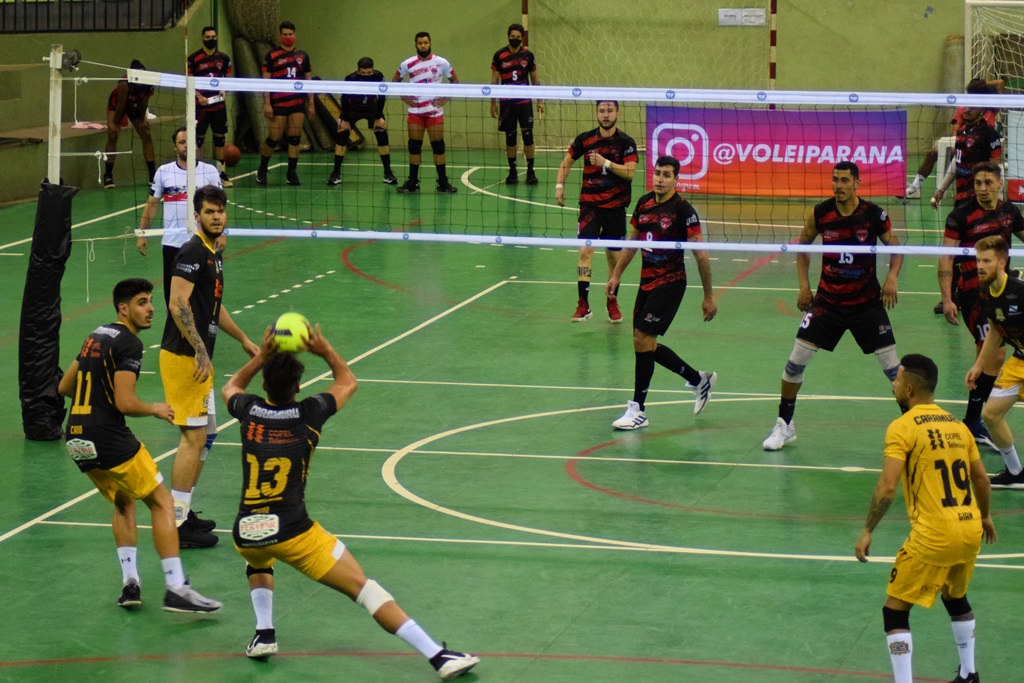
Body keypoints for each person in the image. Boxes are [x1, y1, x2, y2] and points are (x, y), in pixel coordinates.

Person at [222, 326, 480, 680]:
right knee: (365, 589)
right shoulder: (310, 413)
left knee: (259, 559)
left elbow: (230, 388)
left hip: (246, 531)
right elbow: (347, 381)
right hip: (294, 532)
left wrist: (261, 356)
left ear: (264, 385)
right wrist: (325, 349)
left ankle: (265, 633)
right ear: (298, 387)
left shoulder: (248, 410)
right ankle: (439, 656)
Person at [58, 278, 223, 613]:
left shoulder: (95, 335)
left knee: (123, 501)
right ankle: (176, 587)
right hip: (109, 437)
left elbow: (65, 386)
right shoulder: (129, 343)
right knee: (162, 503)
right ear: (124, 309)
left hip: (77, 437)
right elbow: (125, 403)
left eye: (150, 301)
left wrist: (96, 402)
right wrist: (155, 409)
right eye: (142, 303)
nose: (150, 309)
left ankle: (130, 583)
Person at [855, 353, 995, 683]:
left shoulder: (902, 427)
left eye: (897, 379)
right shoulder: (958, 426)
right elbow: (982, 480)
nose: (893, 384)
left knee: (895, 610)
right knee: (955, 596)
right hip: (969, 526)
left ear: (909, 389)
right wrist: (986, 517)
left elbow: (888, 486)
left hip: (934, 533)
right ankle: (969, 673)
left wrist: (867, 529)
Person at [762, 161, 903, 450]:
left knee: (893, 371)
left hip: (867, 303)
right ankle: (784, 424)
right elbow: (802, 247)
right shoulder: (821, 213)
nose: (838, 185)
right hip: (828, 302)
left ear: (857, 184)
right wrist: (804, 285)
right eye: (835, 180)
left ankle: (914, 425)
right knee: (794, 364)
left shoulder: (874, 215)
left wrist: (892, 277)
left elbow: (896, 248)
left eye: (844, 180)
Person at [161, 185, 259, 548]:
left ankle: (183, 512)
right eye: (209, 212)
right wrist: (200, 348)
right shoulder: (192, 251)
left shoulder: (212, 253)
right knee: (193, 438)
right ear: (197, 216)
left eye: (220, 211)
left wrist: (242, 339)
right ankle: (175, 524)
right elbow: (177, 303)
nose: (216, 217)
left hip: (198, 358)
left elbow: (213, 305)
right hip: (184, 358)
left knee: (208, 436)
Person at [605, 156, 717, 429]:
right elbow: (632, 243)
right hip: (646, 282)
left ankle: (638, 410)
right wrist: (616, 275)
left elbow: (701, 255)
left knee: (642, 339)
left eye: (666, 175)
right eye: (657, 173)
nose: (660, 179)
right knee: (645, 344)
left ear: (676, 180)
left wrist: (708, 296)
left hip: (671, 283)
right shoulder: (644, 203)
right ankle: (699, 379)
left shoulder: (683, 210)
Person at [938, 162, 1024, 448]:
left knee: (990, 355)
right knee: (994, 355)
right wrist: (947, 299)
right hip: (972, 295)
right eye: (977, 183)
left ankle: (977, 419)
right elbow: (945, 258)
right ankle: (975, 420)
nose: (982, 189)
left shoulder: (1009, 212)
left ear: (1000, 183)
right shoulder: (960, 215)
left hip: (1003, 292)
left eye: (988, 182)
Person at [555, 100, 638, 322]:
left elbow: (630, 172)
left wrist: (605, 163)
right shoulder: (585, 139)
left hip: (615, 208)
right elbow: (566, 163)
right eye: (602, 111)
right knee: (585, 251)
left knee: (614, 257)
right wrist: (559, 185)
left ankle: (612, 301)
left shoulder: (626, 143)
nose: (606, 115)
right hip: (589, 207)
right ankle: (583, 304)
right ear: (596, 113)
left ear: (618, 112)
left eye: (610, 110)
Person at [135, 126, 223, 305]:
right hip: (173, 245)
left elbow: (220, 207)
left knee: (206, 297)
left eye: (190, 142)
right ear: (175, 147)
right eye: (182, 142)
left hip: (204, 244)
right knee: (173, 299)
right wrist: (143, 233)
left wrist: (222, 234)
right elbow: (152, 204)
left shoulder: (210, 171)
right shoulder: (164, 171)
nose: (187, 146)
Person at [967, 235, 1024, 489]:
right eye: (978, 260)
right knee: (990, 415)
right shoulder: (984, 291)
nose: (980, 266)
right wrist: (979, 365)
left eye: (986, 261)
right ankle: (1016, 474)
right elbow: (994, 331)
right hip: (1019, 359)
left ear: (1002, 263)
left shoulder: (1020, 291)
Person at [903, 78, 1002, 202]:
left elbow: (1000, 83)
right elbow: (956, 136)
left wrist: (981, 87)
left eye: (972, 106)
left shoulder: (990, 118)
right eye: (967, 105)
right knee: (933, 153)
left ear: (982, 109)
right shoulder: (963, 125)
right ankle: (915, 187)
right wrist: (941, 190)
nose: (968, 109)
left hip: (979, 190)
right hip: (962, 193)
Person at [393, 32, 460, 194]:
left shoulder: (441, 62)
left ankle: (443, 182)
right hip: (415, 111)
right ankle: (413, 182)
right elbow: (395, 82)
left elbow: (455, 81)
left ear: (430, 43)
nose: (423, 45)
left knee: (438, 146)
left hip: (434, 112)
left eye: (425, 42)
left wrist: (445, 98)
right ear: (416, 45)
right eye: (420, 43)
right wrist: (404, 97)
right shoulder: (407, 64)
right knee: (414, 146)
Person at [256, 21, 315, 186]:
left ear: (295, 35)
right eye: (285, 34)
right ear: (280, 36)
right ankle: (262, 168)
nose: (288, 37)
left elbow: (309, 81)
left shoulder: (303, 56)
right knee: (274, 138)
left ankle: (291, 172)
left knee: (295, 138)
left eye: (290, 34)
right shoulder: (272, 56)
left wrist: (311, 103)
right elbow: (265, 82)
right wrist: (267, 104)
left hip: (297, 103)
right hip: (279, 103)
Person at [328, 57, 397, 186]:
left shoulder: (378, 76)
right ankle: (335, 173)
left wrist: (378, 117)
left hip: (372, 108)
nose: (366, 75)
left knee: (382, 134)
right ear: (358, 70)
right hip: (353, 109)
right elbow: (344, 98)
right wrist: (346, 120)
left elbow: (382, 96)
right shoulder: (351, 78)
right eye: (363, 73)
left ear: (373, 70)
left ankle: (388, 173)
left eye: (369, 73)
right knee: (342, 135)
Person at [490, 22, 544, 185]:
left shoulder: (528, 55)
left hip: (524, 102)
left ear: (522, 38)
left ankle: (530, 171)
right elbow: (494, 80)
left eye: (518, 37)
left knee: (528, 136)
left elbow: (535, 79)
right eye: (512, 36)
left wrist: (540, 101)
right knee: (510, 137)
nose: (515, 39)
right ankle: (512, 171)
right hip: (506, 103)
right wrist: (493, 103)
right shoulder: (499, 55)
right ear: (508, 36)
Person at [186, 25, 234, 187]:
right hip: (200, 107)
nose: (211, 39)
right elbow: (188, 82)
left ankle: (221, 174)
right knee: (197, 140)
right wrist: (199, 97)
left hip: (218, 106)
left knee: (220, 139)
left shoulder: (224, 58)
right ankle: (197, 174)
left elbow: (229, 80)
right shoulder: (193, 59)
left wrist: (224, 90)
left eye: (213, 37)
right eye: (208, 37)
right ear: (202, 38)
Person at [104, 59, 156, 189]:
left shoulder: (149, 83)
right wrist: (116, 124)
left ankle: (152, 175)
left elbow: (144, 102)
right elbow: (121, 105)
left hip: (135, 105)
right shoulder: (124, 84)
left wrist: (142, 120)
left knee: (146, 134)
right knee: (113, 135)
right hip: (117, 105)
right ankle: (108, 175)